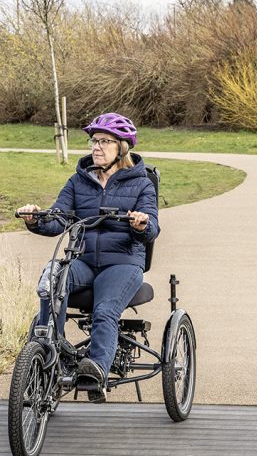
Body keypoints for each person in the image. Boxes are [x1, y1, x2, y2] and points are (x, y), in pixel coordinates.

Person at [18, 112, 160, 402]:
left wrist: (141, 224)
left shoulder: (142, 184)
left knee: (105, 310)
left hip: (122, 263)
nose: (96, 147)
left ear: (122, 147)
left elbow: (152, 228)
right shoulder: (78, 182)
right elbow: (59, 219)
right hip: (82, 261)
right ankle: (47, 354)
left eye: (105, 141)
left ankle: (95, 371)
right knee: (52, 282)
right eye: (94, 141)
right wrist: (35, 219)